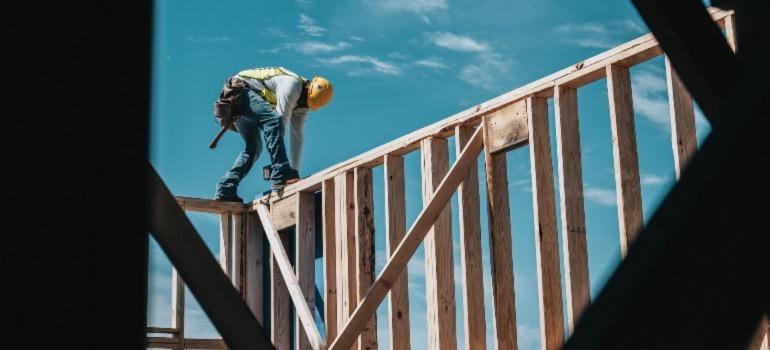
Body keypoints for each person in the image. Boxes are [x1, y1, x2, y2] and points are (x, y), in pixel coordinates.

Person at [214, 66, 333, 202]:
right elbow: (279, 123)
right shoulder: (292, 85)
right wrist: (282, 171)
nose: (303, 105)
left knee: (254, 147)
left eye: (307, 104)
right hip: (238, 91)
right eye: (304, 100)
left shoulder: (302, 105)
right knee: (273, 120)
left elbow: (297, 137)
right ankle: (280, 173)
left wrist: (295, 171)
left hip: (245, 100)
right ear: (308, 88)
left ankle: (226, 188)